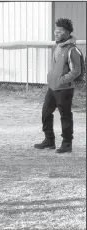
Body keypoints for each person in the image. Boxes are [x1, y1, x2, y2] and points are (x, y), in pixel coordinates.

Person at [34, 18, 82, 154]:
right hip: (53, 87)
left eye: (59, 31)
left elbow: (76, 71)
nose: (56, 33)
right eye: (56, 30)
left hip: (65, 89)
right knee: (45, 113)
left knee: (65, 116)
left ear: (67, 33)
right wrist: (51, 77)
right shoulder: (56, 47)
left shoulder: (72, 50)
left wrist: (62, 80)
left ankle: (67, 143)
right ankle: (49, 140)